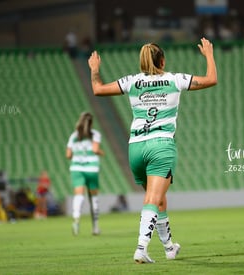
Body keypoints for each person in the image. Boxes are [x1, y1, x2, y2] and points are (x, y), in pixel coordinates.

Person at [88, 37, 217, 263]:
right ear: (163, 61)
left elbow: (97, 89)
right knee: (152, 198)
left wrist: (95, 70)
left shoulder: (132, 81)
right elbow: (211, 79)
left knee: (159, 199)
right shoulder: (175, 79)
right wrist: (209, 56)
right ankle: (141, 248)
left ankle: (169, 246)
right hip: (161, 146)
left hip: (136, 148)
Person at [66, 112, 104, 236]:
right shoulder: (95, 134)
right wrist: (101, 153)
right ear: (91, 123)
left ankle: (76, 220)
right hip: (92, 168)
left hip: (77, 168)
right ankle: (95, 227)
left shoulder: (74, 136)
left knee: (79, 195)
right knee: (93, 197)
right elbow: (95, 149)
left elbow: (68, 155)